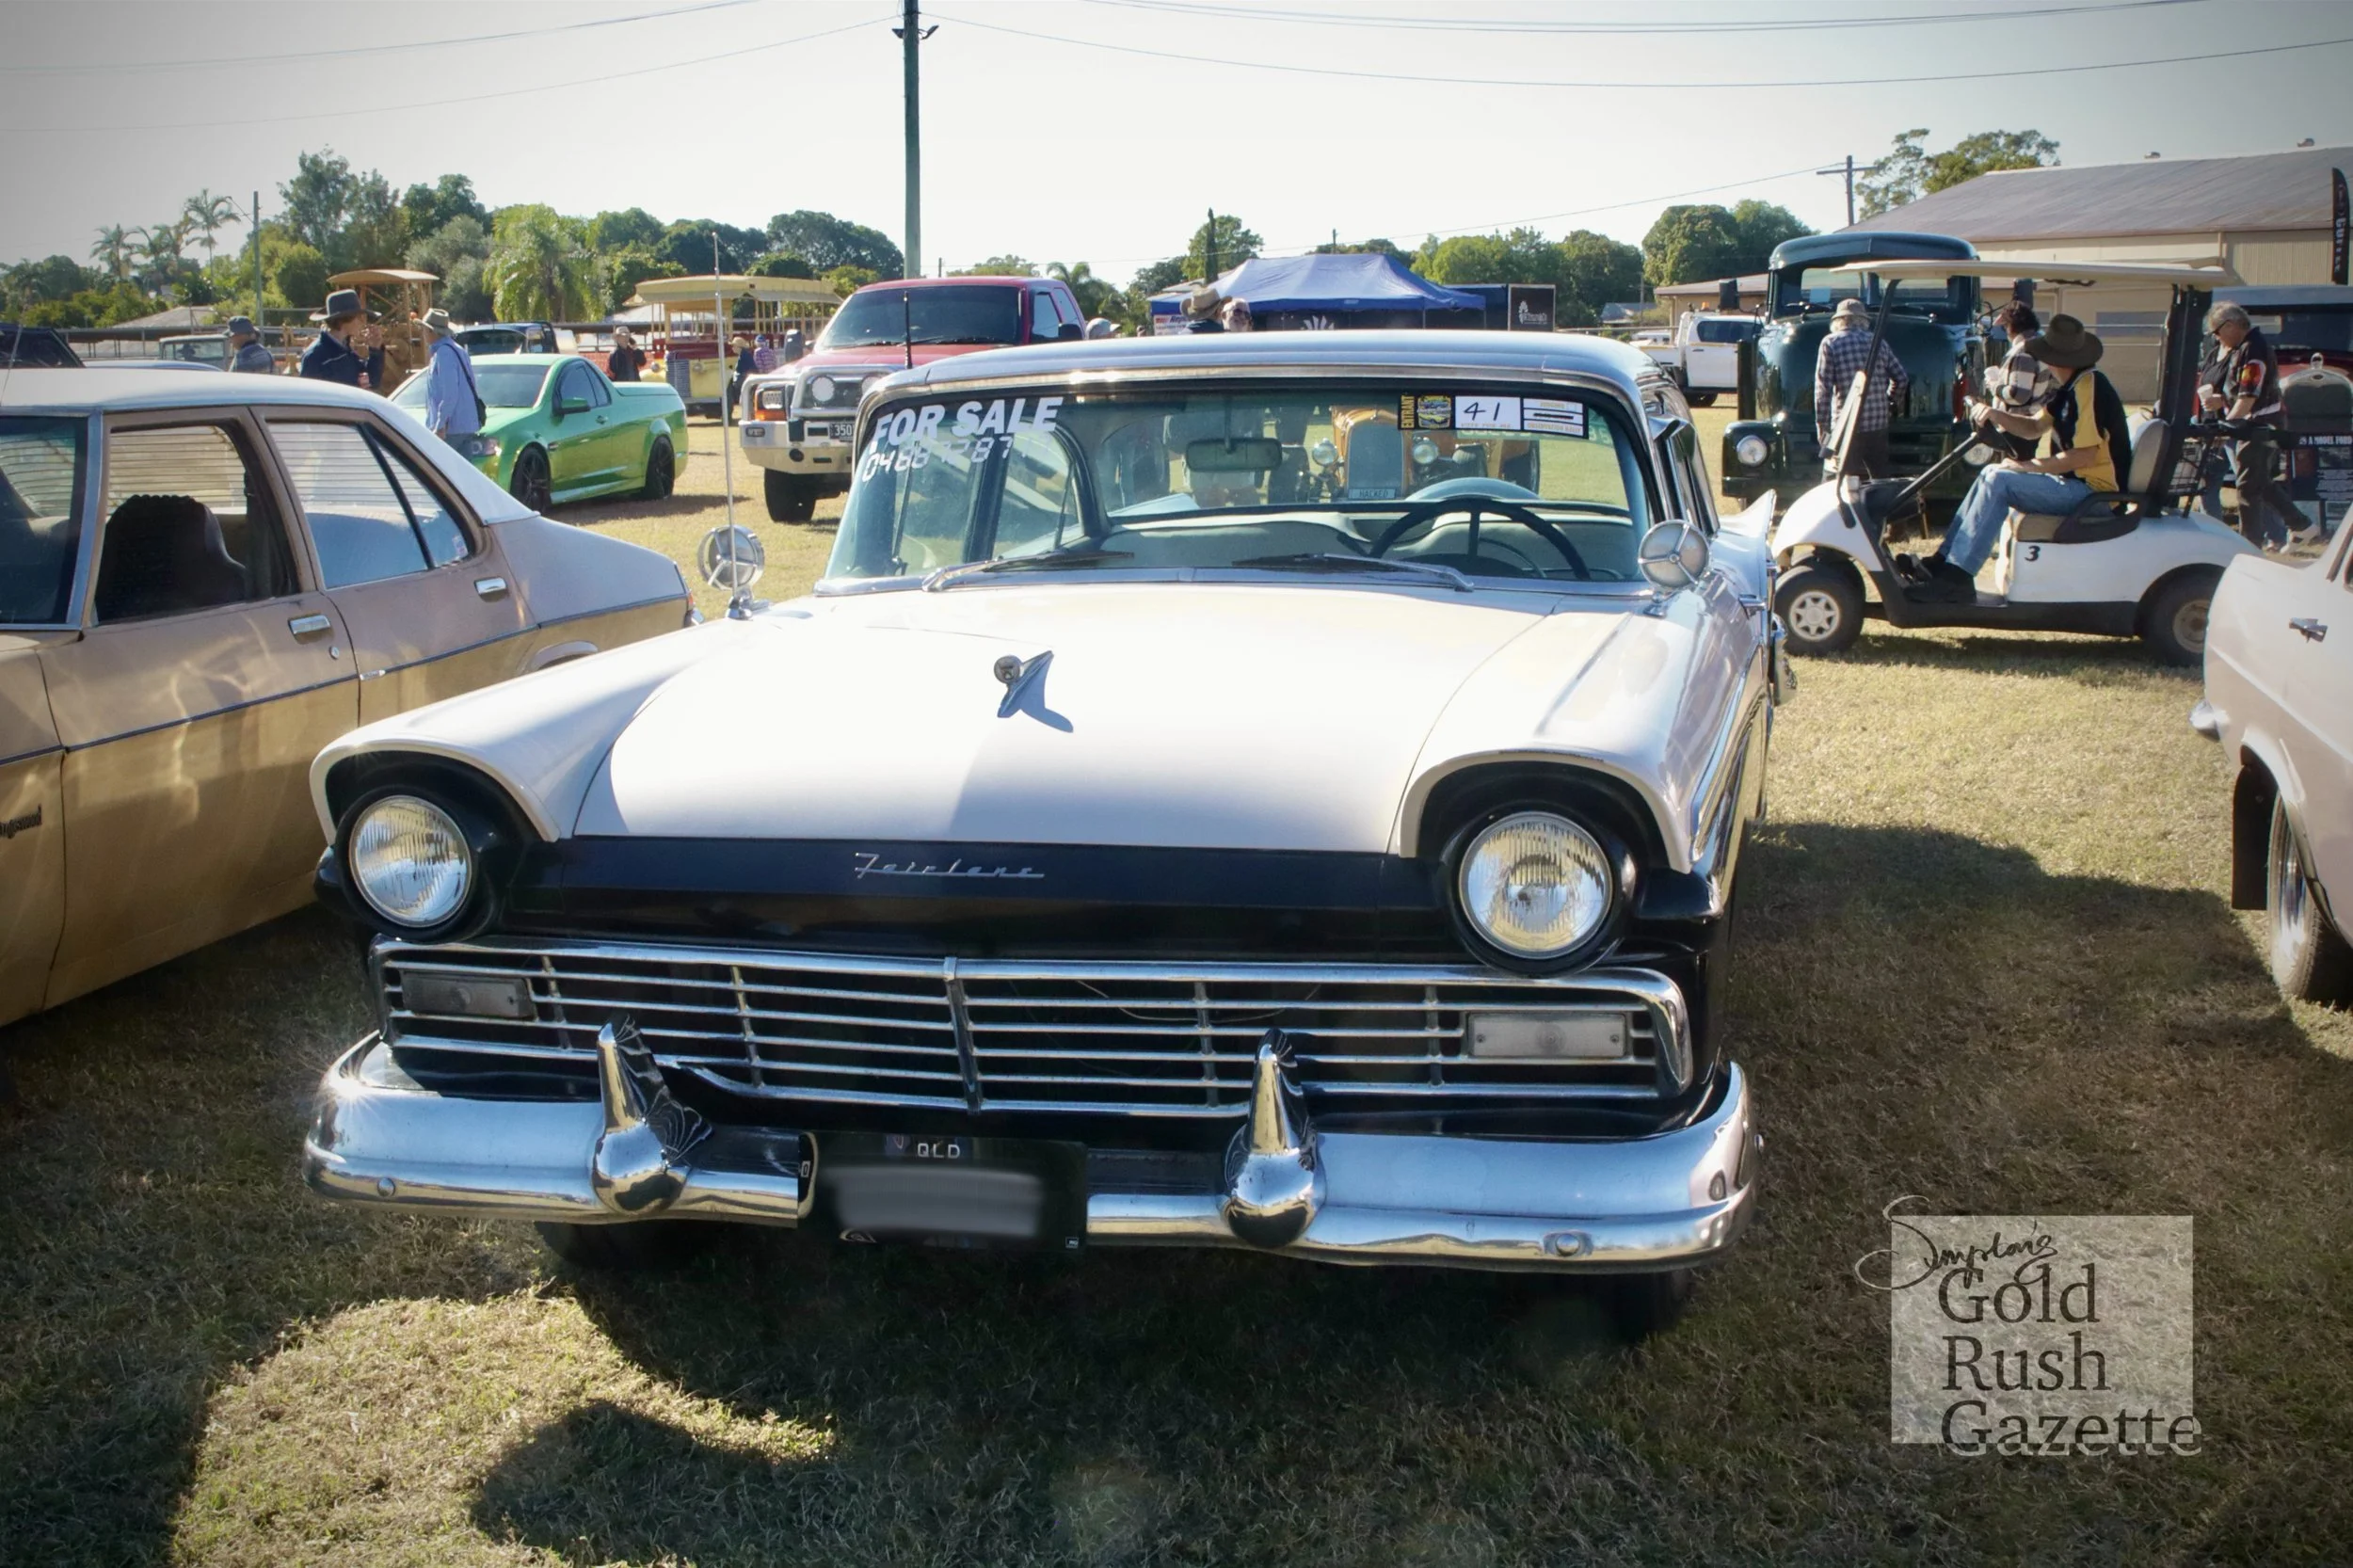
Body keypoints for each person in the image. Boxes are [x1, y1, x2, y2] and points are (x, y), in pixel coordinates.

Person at [1898, 314, 2125, 605]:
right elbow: (2033, 428)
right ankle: (1943, 563)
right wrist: (1994, 414)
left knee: (2000, 481)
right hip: (2079, 487)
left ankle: (1957, 580)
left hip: (2097, 494)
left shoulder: (2088, 387)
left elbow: (2084, 455)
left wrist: (2026, 467)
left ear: (2056, 357)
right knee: (1991, 471)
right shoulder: (2069, 390)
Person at [2199, 301, 2316, 551]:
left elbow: (2248, 396)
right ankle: (2302, 525)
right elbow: (2238, 392)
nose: (2217, 338)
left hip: (2260, 424)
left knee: (2247, 487)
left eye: (2217, 332)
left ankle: (2249, 543)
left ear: (2230, 325)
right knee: (2259, 482)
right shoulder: (2242, 348)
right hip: (2255, 423)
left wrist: (2225, 427)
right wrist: (2222, 401)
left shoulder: (2253, 349)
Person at [1814, 296, 1910, 478]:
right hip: (1878, 424)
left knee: (1837, 479)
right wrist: (1889, 402)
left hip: (1846, 424)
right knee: (1879, 478)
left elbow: (1823, 390)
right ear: (1863, 320)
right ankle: (1882, 506)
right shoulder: (1878, 342)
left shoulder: (1830, 343)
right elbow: (1901, 378)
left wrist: (1822, 425)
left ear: (1838, 320)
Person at [1983, 298, 2055, 461]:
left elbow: (2018, 395)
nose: (2005, 331)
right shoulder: (2038, 344)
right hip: (2032, 421)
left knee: (2015, 469)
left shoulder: (2024, 351)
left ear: (2011, 326)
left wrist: (1994, 385)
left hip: (2018, 424)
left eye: (2005, 326)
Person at [417, 309, 483, 444]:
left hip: (450, 430)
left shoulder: (443, 353)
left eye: (424, 329)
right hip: (464, 426)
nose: (422, 333)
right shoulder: (458, 350)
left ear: (431, 331)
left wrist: (440, 424)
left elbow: (450, 394)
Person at [298, 289, 384, 389]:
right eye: (358, 317)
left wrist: (375, 350)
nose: (362, 322)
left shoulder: (347, 352)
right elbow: (308, 397)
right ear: (344, 320)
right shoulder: (315, 357)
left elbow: (372, 382)